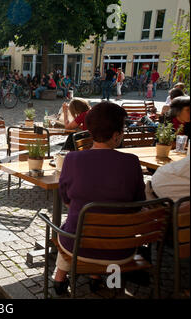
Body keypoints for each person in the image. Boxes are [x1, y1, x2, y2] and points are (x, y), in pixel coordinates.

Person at [54, 102, 145, 295]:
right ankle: (109, 283)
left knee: (70, 225)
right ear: (116, 135)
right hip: (120, 250)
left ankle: (59, 279)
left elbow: (66, 200)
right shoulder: (132, 162)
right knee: (81, 226)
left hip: (78, 246)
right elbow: (138, 204)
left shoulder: (72, 160)